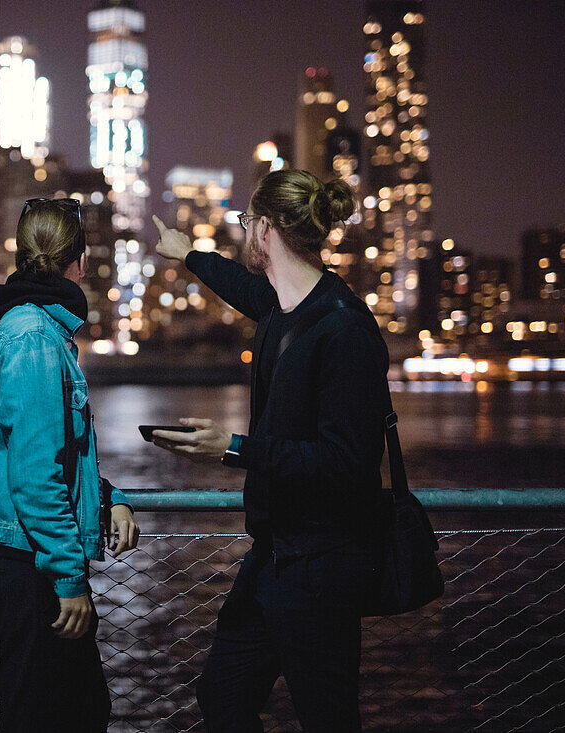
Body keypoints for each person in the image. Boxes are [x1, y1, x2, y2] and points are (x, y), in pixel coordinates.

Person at [151, 169, 391, 732]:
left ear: (265, 229)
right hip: (276, 555)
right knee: (223, 697)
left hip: (324, 561)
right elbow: (246, 289)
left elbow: (348, 461)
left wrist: (234, 447)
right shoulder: (284, 309)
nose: (244, 232)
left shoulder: (343, 330)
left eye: (246, 221)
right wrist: (189, 255)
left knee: (326, 718)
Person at [0, 197, 141, 732]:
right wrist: (68, 576)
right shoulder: (34, 337)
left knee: (74, 710)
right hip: (30, 563)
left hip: (28, 553)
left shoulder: (39, 331)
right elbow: (37, 474)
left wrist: (108, 498)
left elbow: (59, 459)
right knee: (45, 715)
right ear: (81, 261)